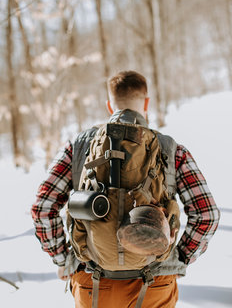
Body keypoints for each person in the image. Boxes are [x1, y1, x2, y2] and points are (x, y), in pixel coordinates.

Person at [31, 70, 220, 308]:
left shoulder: (78, 147)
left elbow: (43, 208)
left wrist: (64, 260)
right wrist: (178, 259)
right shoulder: (171, 150)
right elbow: (208, 215)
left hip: (93, 283)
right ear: (146, 102)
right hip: (155, 283)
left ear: (110, 105)